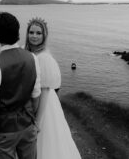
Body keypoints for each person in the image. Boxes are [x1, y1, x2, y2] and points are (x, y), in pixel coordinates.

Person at [0, 12, 41, 159]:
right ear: (18, 32)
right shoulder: (32, 58)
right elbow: (36, 95)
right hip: (27, 126)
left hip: (2, 132)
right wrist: (32, 120)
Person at [25, 17, 82, 159]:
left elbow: (45, 91)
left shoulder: (44, 58)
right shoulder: (26, 53)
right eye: (31, 32)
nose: (34, 36)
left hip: (44, 106)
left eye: (38, 33)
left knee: (45, 145)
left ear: (44, 36)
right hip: (29, 102)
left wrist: (38, 121)